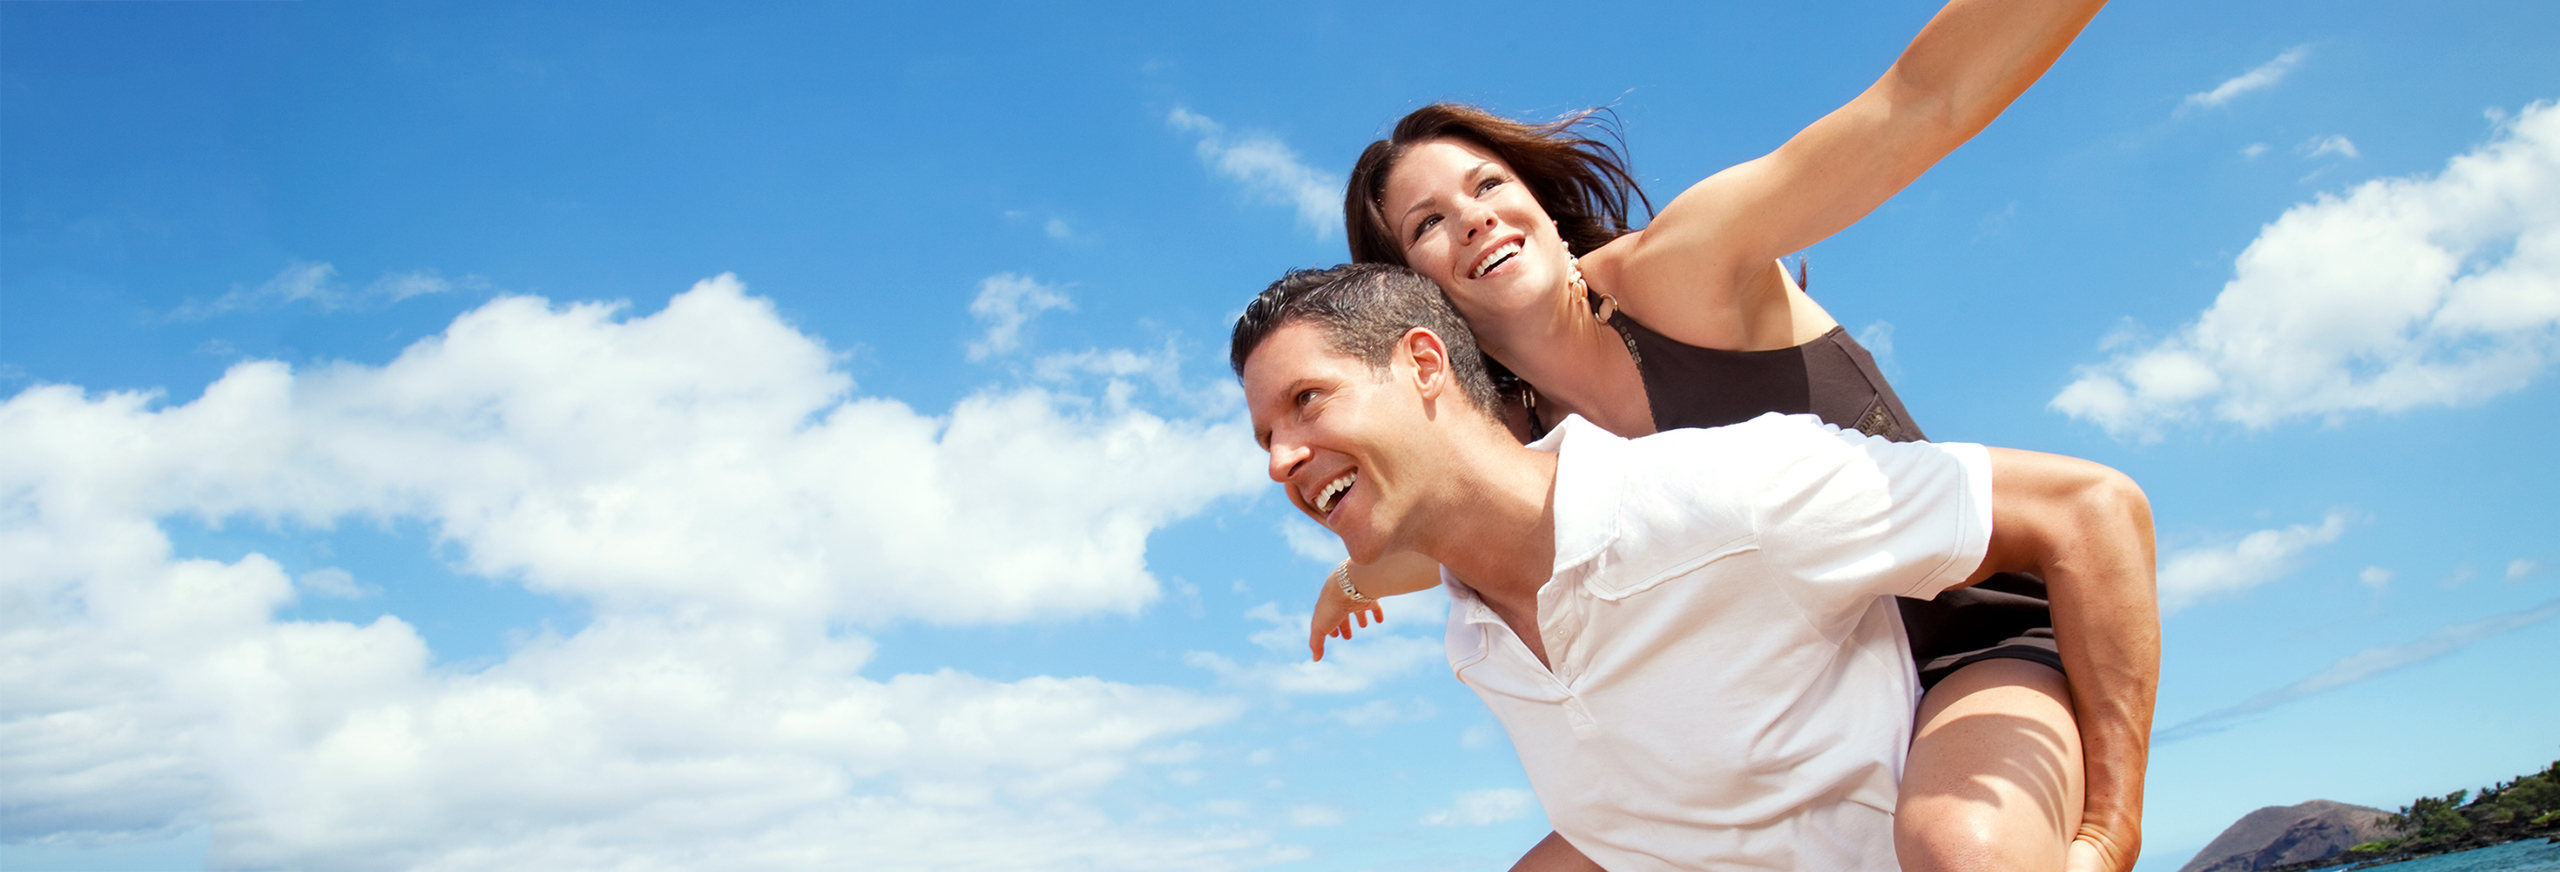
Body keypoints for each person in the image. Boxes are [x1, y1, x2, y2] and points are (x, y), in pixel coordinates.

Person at [1308, 1, 2144, 869]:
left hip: (1958, 644)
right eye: (1427, 224)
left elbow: (1921, 101)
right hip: (1795, 710)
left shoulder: (1681, 273)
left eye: (1487, 186)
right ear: (1417, 295)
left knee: (1960, 847)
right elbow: (1453, 535)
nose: (1472, 218)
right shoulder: (1517, 441)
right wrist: (1353, 574)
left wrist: (2110, 833)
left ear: (1541, 204)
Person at [1234, 264, 2157, 872]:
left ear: (1426, 364)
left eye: (1306, 402)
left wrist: (2108, 837)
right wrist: (1350, 584)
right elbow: (1630, 821)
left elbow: (2089, 509)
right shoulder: (1477, 638)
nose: (1280, 460)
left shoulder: (1727, 492)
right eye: (1266, 436)